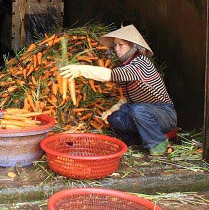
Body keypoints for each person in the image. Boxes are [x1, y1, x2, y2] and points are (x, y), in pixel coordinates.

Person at [60, 25, 177, 156]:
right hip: (145, 111)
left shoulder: (141, 63)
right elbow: (128, 98)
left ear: (133, 46)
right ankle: (138, 141)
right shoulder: (126, 66)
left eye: (121, 45)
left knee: (137, 110)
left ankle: (159, 143)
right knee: (115, 118)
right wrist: (112, 109)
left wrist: (80, 69)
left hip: (164, 113)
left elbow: (110, 75)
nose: (117, 49)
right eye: (115, 45)